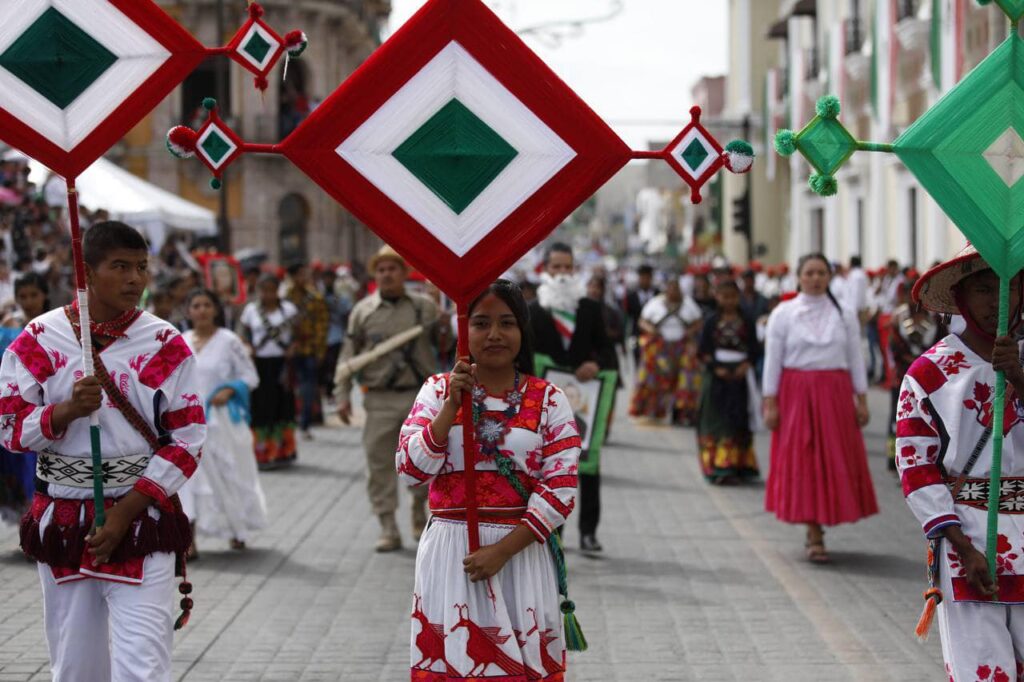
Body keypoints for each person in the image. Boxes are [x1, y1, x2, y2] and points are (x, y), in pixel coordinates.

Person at [0, 221, 205, 681]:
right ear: (87, 272)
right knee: (75, 666)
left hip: (141, 523)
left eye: (142, 267)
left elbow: (189, 439)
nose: (136, 278)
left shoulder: (165, 343)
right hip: (64, 523)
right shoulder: (40, 338)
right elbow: (9, 428)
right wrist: (67, 409)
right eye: (120, 266)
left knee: (144, 666)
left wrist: (125, 511)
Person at [396, 279, 581, 681]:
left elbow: (560, 487)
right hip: (451, 555)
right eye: (480, 323)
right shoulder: (437, 390)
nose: (494, 334)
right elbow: (411, 470)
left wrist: (503, 550)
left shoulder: (550, 399)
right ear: (463, 330)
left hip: (521, 554)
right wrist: (450, 410)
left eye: (507, 323)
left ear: (522, 331)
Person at [895, 244, 1024, 679]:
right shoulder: (929, 373)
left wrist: (1020, 379)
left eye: (1007, 288)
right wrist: (963, 546)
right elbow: (916, 467)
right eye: (983, 289)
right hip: (967, 539)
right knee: (984, 671)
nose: (995, 302)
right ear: (963, 298)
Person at [762, 253, 877, 563]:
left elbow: (856, 357)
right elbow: (773, 361)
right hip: (795, 394)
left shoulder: (845, 314)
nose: (815, 278)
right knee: (804, 459)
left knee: (832, 459)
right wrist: (770, 402)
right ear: (798, 277)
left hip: (836, 395)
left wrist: (862, 400)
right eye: (809, 273)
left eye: (821, 273)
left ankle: (825, 518)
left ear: (829, 277)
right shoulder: (784, 314)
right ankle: (813, 532)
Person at [335, 245, 451, 552]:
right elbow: (348, 357)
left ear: (404, 273)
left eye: (393, 269)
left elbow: (447, 344)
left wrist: (443, 321)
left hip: (420, 400)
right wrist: (342, 396)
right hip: (378, 400)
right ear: (375, 275)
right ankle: (387, 525)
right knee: (379, 465)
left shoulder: (424, 307)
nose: (387, 274)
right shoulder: (363, 311)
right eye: (381, 269)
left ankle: (419, 513)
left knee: (426, 459)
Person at [529, 242, 612, 553]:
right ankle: (554, 530)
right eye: (556, 267)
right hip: (545, 402)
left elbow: (607, 350)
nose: (563, 274)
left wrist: (596, 364)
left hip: (583, 400)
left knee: (587, 466)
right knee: (549, 468)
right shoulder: (533, 310)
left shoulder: (589, 308)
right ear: (546, 270)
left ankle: (589, 532)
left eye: (568, 267)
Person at [180, 289, 266, 557]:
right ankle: (188, 541)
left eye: (207, 304)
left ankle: (237, 529)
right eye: (196, 305)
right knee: (190, 481)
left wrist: (229, 390)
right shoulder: (180, 341)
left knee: (230, 476)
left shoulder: (230, 341)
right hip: (190, 423)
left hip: (223, 420)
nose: (202, 310)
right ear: (189, 311)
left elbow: (251, 376)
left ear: (215, 309)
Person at [696, 280, 760, 484]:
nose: (729, 301)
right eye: (725, 296)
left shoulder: (747, 320)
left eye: (733, 296)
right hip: (716, 378)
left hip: (740, 377)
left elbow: (755, 348)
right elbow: (703, 351)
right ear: (717, 297)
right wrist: (716, 367)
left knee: (738, 420)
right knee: (716, 420)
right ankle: (717, 465)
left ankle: (737, 465)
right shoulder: (711, 321)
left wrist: (746, 365)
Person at [0, 272, 48, 527]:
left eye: (34, 295)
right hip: (20, 411)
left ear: (45, 295)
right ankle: (28, 527)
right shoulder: (10, 331)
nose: (28, 301)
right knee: (23, 471)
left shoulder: (57, 327)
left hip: (51, 409)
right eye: (23, 296)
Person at [239, 273, 299, 469]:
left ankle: (284, 451)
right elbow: (244, 333)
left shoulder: (289, 310)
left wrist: (293, 347)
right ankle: (263, 453)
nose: (268, 294)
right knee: (262, 406)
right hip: (259, 364)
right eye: (264, 290)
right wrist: (247, 345)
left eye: (271, 290)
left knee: (284, 404)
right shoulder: (251, 311)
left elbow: (299, 334)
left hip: (282, 364)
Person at [628, 278, 703, 424]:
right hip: (659, 346)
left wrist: (690, 331)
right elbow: (642, 321)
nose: (674, 292)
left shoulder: (689, 304)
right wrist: (652, 330)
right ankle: (653, 410)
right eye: (671, 289)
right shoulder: (655, 303)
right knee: (652, 379)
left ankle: (683, 412)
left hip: (682, 346)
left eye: (677, 289)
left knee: (687, 379)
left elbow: (699, 322)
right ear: (666, 290)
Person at [284, 261, 329, 439]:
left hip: (309, 348)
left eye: (306, 274)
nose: (304, 278)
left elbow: (322, 325)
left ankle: (305, 423)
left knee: (308, 387)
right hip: (287, 350)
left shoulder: (315, 297)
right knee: (287, 386)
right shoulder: (284, 297)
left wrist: (319, 350)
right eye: (300, 274)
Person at [624, 264, 659, 365]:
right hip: (637, 334)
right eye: (642, 277)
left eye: (647, 277)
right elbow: (628, 318)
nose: (644, 280)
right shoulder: (631, 296)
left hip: (655, 335)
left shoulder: (658, 295)